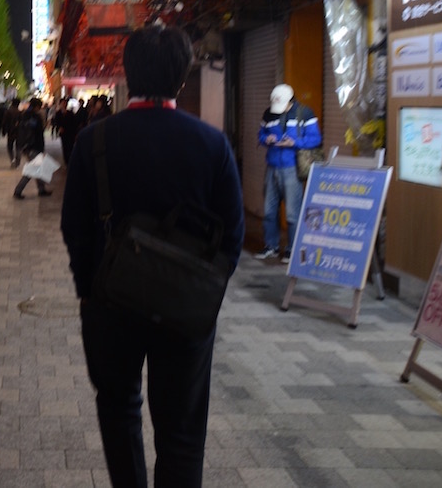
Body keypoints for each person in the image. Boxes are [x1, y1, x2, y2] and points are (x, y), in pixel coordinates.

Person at [61, 27, 244, 487]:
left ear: (127, 71)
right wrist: (204, 293)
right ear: (182, 79)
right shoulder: (211, 144)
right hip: (186, 308)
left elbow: (75, 229)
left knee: (119, 408)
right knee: (182, 429)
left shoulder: (94, 141)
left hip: (110, 302)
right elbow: (233, 235)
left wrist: (90, 290)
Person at [256, 83, 321, 263]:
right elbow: (260, 134)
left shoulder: (305, 113)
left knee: (293, 212)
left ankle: (292, 249)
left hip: (292, 167)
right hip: (272, 166)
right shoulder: (268, 114)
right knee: (269, 210)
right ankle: (271, 246)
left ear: (290, 101)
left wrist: (295, 142)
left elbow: (315, 138)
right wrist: (266, 139)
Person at [13, 98, 51, 199]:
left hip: (26, 146)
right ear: (37, 106)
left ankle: (41, 189)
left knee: (38, 168)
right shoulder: (35, 117)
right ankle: (18, 190)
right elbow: (38, 134)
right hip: (34, 147)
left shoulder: (24, 115)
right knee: (32, 170)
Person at [4, 97, 21, 167]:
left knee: (10, 147)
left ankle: (12, 160)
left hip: (10, 132)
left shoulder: (8, 111)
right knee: (18, 147)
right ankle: (18, 160)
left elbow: (4, 122)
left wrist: (4, 131)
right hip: (19, 132)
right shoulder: (20, 112)